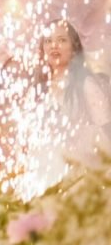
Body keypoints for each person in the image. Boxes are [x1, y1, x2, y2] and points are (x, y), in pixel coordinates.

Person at [27, 19, 111, 186]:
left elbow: (106, 128)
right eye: (48, 41)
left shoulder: (85, 83)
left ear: (74, 48)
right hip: (45, 169)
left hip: (80, 171)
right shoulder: (38, 88)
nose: (54, 46)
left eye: (61, 40)